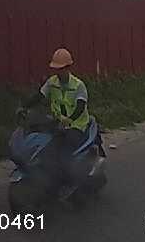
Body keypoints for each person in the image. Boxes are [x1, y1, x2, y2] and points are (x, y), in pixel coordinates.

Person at [18, 48, 91, 188]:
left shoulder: (79, 85)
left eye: (61, 69)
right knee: (44, 144)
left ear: (68, 68)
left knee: (65, 150)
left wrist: (70, 120)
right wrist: (24, 106)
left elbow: (80, 107)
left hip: (76, 126)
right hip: (57, 123)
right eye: (56, 69)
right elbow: (39, 96)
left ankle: (70, 180)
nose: (58, 72)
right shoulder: (52, 82)